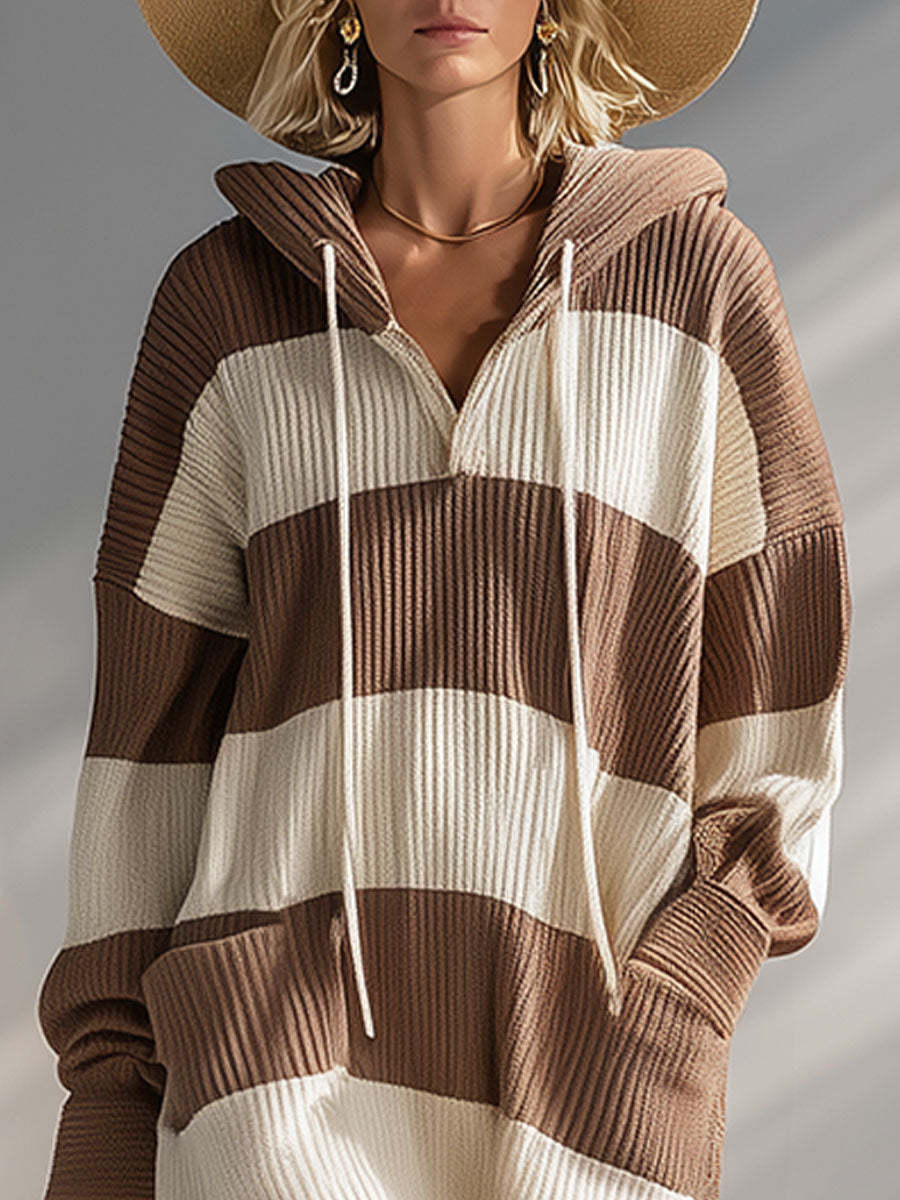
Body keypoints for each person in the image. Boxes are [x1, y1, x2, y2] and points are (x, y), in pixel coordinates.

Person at [37, 1, 852, 1197]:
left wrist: (684, 989)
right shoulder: (226, 303)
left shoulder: (699, 282)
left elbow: (781, 707)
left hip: (588, 1082)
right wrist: (110, 1098)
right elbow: (148, 744)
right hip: (276, 1085)